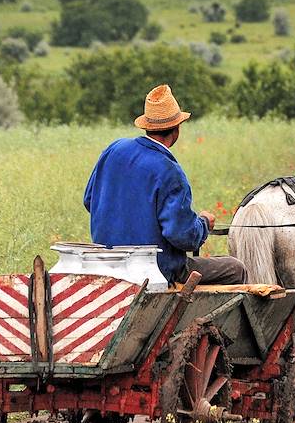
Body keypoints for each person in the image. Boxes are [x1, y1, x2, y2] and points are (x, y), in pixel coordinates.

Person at [83, 84, 247, 286]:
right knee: (234, 268)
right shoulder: (170, 171)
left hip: (106, 263)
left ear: (146, 126)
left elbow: (89, 200)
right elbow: (182, 236)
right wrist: (203, 223)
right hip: (155, 270)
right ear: (176, 129)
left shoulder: (114, 149)